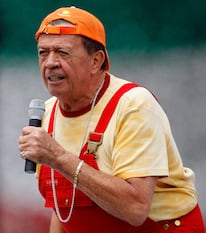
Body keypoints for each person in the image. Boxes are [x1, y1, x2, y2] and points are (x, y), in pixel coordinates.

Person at [18, 6, 205, 233]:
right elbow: (64, 208)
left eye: (62, 52)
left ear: (96, 61)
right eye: (43, 53)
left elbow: (135, 208)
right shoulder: (47, 114)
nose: (50, 63)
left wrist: (58, 157)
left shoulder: (133, 105)